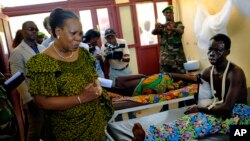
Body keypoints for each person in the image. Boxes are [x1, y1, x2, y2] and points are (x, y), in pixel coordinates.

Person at [132, 34, 250, 141]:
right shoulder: (208, 72)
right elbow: (196, 81)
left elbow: (227, 109)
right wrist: (171, 75)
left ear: (227, 52)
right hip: (219, 109)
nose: (212, 54)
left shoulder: (235, 73)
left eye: (218, 50)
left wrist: (201, 109)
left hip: (239, 113)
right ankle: (149, 135)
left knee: (203, 122)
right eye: (210, 49)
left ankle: (150, 138)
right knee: (190, 119)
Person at [26, 8, 113, 140]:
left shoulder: (83, 54)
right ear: (58, 32)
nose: (78, 39)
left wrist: (97, 89)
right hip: (68, 132)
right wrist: (81, 98)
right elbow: (42, 102)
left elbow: (94, 78)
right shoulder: (43, 62)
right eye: (73, 33)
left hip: (95, 124)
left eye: (80, 34)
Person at [9, 21, 46, 141]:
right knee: (35, 130)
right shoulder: (17, 52)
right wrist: (29, 100)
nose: (34, 31)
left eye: (36, 29)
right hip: (33, 98)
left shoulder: (42, 48)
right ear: (23, 31)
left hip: (49, 95)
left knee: (49, 128)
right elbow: (18, 79)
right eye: (31, 29)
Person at [152, 5, 188, 111]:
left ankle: (182, 103)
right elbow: (154, 32)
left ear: (173, 14)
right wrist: (156, 27)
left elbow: (180, 31)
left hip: (178, 60)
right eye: (166, 13)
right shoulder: (162, 27)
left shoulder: (179, 24)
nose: (168, 14)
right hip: (166, 60)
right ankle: (165, 105)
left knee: (181, 81)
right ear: (164, 15)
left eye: (170, 13)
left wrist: (172, 28)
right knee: (164, 82)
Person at [102, 28, 135, 120]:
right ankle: (118, 118)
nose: (111, 39)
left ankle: (132, 116)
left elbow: (127, 59)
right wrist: (107, 58)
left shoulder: (122, 42)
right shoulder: (104, 46)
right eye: (108, 38)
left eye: (112, 36)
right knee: (116, 95)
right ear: (106, 38)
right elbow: (106, 65)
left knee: (129, 93)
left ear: (115, 35)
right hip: (114, 72)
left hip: (125, 70)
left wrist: (118, 56)